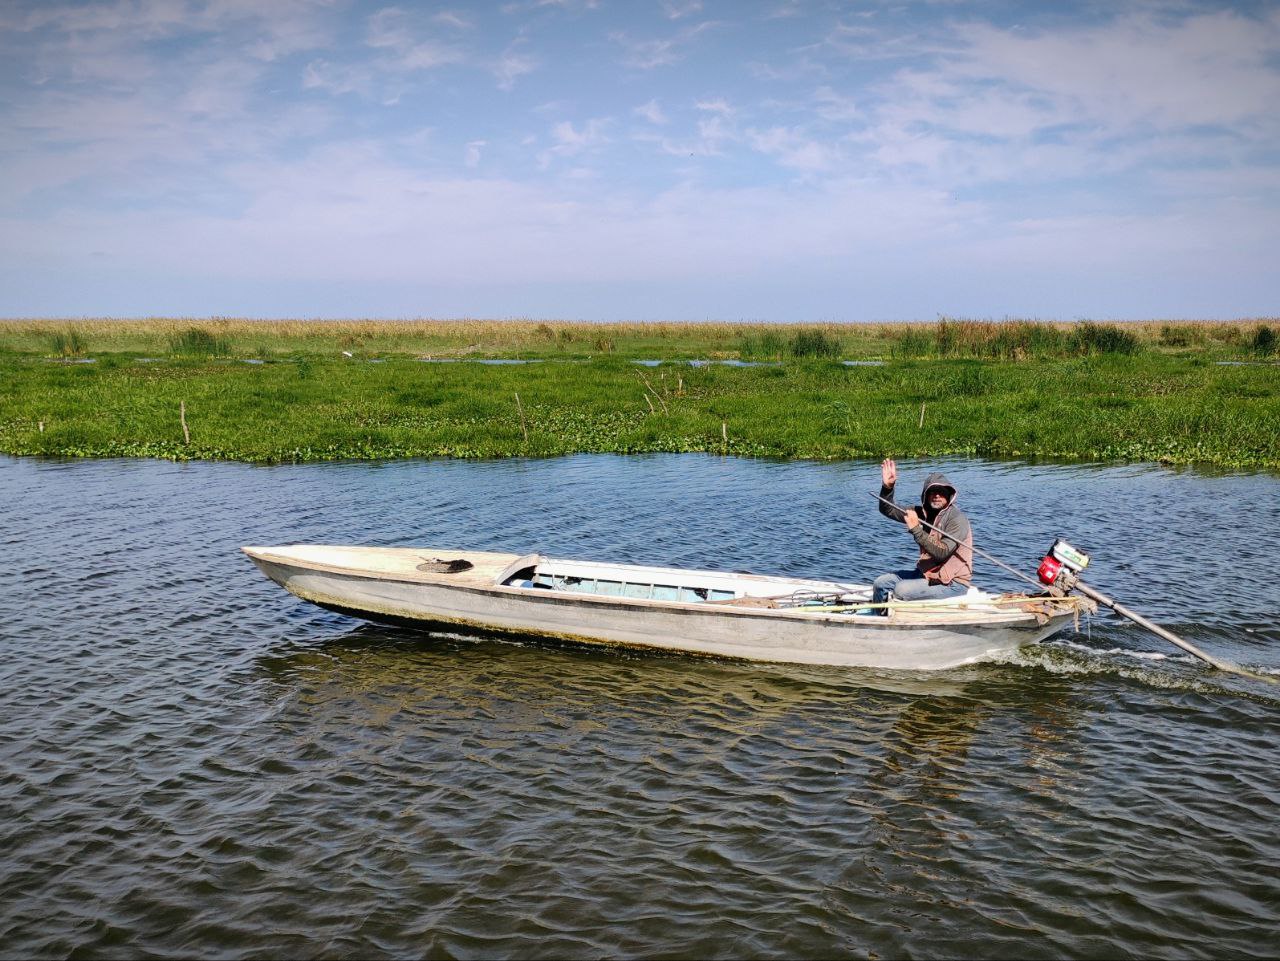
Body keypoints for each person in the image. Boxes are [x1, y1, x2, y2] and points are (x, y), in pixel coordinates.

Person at [869, 458, 973, 613]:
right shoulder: (920, 513)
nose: (937, 496)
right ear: (925, 495)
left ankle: (900, 622)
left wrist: (916, 529)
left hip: (952, 583)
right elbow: (888, 510)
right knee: (881, 583)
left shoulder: (957, 519)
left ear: (949, 495)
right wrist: (887, 488)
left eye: (941, 492)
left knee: (902, 590)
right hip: (925, 575)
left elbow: (942, 552)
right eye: (932, 492)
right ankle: (881, 620)